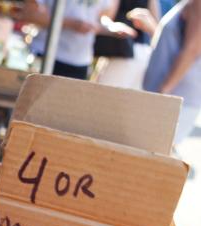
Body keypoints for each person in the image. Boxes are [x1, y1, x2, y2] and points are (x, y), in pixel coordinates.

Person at [20, 0, 136, 80]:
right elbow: (30, 14)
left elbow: (101, 18)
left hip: (80, 62)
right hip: (45, 54)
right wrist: (70, 24)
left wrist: (112, 28)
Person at [143, 0, 201, 145]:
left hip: (176, 97)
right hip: (170, 96)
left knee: (156, 153)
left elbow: (192, 50)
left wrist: (164, 91)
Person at [95, 0, 160, 89]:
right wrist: (115, 27)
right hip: (118, 52)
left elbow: (157, 31)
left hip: (138, 55)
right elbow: (105, 17)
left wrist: (148, 22)